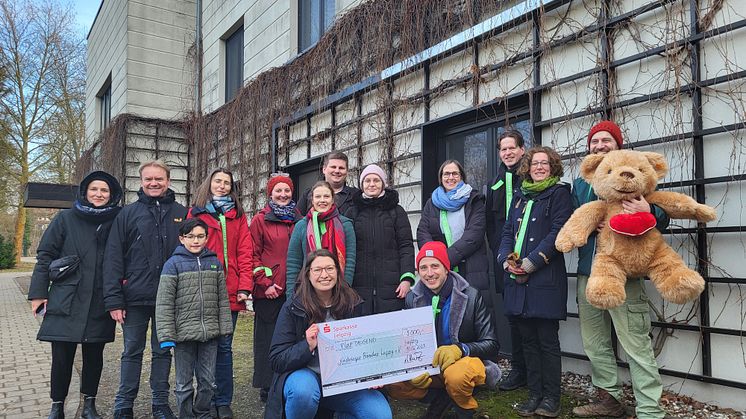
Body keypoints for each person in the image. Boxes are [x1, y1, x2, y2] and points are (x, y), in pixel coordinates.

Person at [571, 121, 670, 419]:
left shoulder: (634, 169)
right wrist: (591, 227)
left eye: (606, 141)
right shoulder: (581, 183)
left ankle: (650, 411)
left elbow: (664, 212)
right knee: (595, 341)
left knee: (635, 343)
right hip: (589, 271)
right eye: (595, 142)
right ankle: (609, 400)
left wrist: (648, 212)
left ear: (617, 144)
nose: (600, 146)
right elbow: (574, 220)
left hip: (625, 274)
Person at [29, 171, 123, 419]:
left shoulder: (118, 219)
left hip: (100, 298)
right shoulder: (65, 219)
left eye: (104, 191)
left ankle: (89, 405)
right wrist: (38, 294)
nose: (99, 194)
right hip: (66, 297)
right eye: (94, 189)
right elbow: (45, 256)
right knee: (61, 356)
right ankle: (57, 405)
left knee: (95, 355)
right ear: (85, 191)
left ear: (111, 195)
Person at [265, 249, 393, 419]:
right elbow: (277, 359)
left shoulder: (354, 304)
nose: (324, 275)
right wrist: (307, 346)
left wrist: (374, 374)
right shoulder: (293, 307)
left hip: (344, 381)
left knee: (380, 414)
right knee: (303, 392)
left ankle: (339, 414)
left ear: (338, 273)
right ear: (308, 274)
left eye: (330, 269)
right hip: (306, 375)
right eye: (317, 270)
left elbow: (368, 348)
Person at [104, 160, 187, 419]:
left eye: (159, 179)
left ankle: (160, 404)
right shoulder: (127, 214)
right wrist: (114, 300)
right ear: (141, 182)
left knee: (163, 351)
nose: (154, 183)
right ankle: (123, 404)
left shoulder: (181, 213)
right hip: (134, 298)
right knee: (131, 351)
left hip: (168, 299)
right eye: (149, 179)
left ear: (168, 181)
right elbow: (113, 258)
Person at [497, 146, 573, 417]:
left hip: (544, 277)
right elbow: (507, 230)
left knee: (547, 341)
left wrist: (531, 262)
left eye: (545, 163)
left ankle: (552, 398)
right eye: (535, 163)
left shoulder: (560, 194)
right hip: (517, 280)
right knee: (527, 339)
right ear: (527, 167)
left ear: (552, 167)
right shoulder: (519, 196)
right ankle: (534, 393)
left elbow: (558, 233)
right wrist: (507, 259)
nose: (539, 167)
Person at [386, 241, 500, 419]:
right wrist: (411, 368)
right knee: (394, 384)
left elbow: (492, 344)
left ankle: (464, 408)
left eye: (435, 266)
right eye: (423, 268)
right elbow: (407, 343)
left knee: (456, 376)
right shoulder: (412, 299)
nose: (429, 273)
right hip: (429, 365)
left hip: (464, 362)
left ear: (446, 268)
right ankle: (441, 396)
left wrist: (460, 349)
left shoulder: (470, 296)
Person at [188, 168, 252, 418]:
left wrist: (245, 286)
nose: (222, 186)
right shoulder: (196, 213)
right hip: (202, 289)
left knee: (224, 348)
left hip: (231, 291)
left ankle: (223, 400)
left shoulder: (238, 216)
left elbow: (246, 252)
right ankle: (204, 399)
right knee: (203, 346)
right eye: (218, 181)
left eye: (227, 183)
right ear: (209, 184)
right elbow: (187, 249)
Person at [155, 218, 233, 419]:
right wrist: (166, 335)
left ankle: (202, 412)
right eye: (190, 237)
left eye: (200, 236)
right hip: (183, 335)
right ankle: (186, 414)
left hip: (209, 334)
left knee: (207, 381)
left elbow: (222, 299)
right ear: (182, 239)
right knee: (183, 383)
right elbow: (164, 303)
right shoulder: (172, 265)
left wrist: (225, 328)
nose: (195, 241)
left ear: (206, 238)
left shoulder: (214, 263)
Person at [248, 173, 303, 403]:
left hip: (295, 289)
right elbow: (252, 255)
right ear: (270, 194)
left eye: (287, 191)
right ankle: (266, 385)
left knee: (292, 337)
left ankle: (287, 382)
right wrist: (265, 283)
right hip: (270, 291)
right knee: (267, 339)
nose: (283, 195)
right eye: (278, 191)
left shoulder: (300, 219)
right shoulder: (260, 220)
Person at [417, 159, 491, 314]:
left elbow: (474, 235)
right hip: (440, 272)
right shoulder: (432, 203)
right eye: (446, 174)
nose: (450, 177)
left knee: (472, 314)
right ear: (441, 177)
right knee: (445, 315)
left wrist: (444, 259)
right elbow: (423, 232)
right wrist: (436, 261)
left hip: (470, 267)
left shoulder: (474, 200)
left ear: (462, 176)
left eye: (455, 173)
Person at [485, 129, 527, 392]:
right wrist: (501, 255)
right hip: (505, 259)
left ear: (522, 149)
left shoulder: (531, 175)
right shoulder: (495, 182)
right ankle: (519, 370)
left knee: (532, 316)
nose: (508, 153)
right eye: (503, 149)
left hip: (532, 258)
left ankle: (535, 371)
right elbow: (492, 223)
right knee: (511, 314)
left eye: (512, 148)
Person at [343, 164, 415, 315]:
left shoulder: (396, 211)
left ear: (383, 183)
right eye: (367, 180)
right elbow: (345, 249)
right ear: (362, 185)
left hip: (392, 287)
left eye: (376, 180)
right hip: (359, 286)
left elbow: (406, 246)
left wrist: (407, 278)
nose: (372, 184)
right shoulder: (352, 212)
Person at [286, 180, 356, 295]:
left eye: (326, 196)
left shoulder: (345, 224)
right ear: (312, 200)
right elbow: (293, 264)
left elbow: (350, 262)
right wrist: (291, 296)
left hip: (338, 291)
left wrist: (345, 290)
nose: (322, 200)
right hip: (307, 292)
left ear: (332, 199)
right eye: (318, 196)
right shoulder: (301, 226)